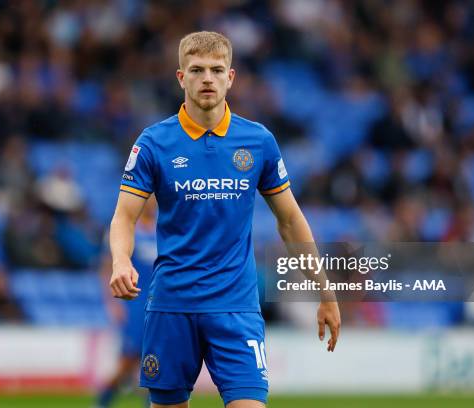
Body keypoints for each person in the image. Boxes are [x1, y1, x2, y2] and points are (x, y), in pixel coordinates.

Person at [109, 31, 341, 408]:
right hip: (173, 305)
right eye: (197, 70)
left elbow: (290, 220)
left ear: (230, 77)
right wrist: (120, 260)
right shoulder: (154, 143)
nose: (207, 79)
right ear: (181, 77)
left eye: (217, 70)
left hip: (236, 308)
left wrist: (325, 290)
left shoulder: (258, 141)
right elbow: (124, 216)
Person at [97, 197, 157, 407]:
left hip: (159, 304)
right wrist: (112, 302)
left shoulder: (163, 229)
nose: (151, 203)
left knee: (155, 358)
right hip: (134, 303)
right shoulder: (126, 231)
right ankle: (101, 402)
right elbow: (107, 268)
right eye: (148, 198)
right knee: (128, 360)